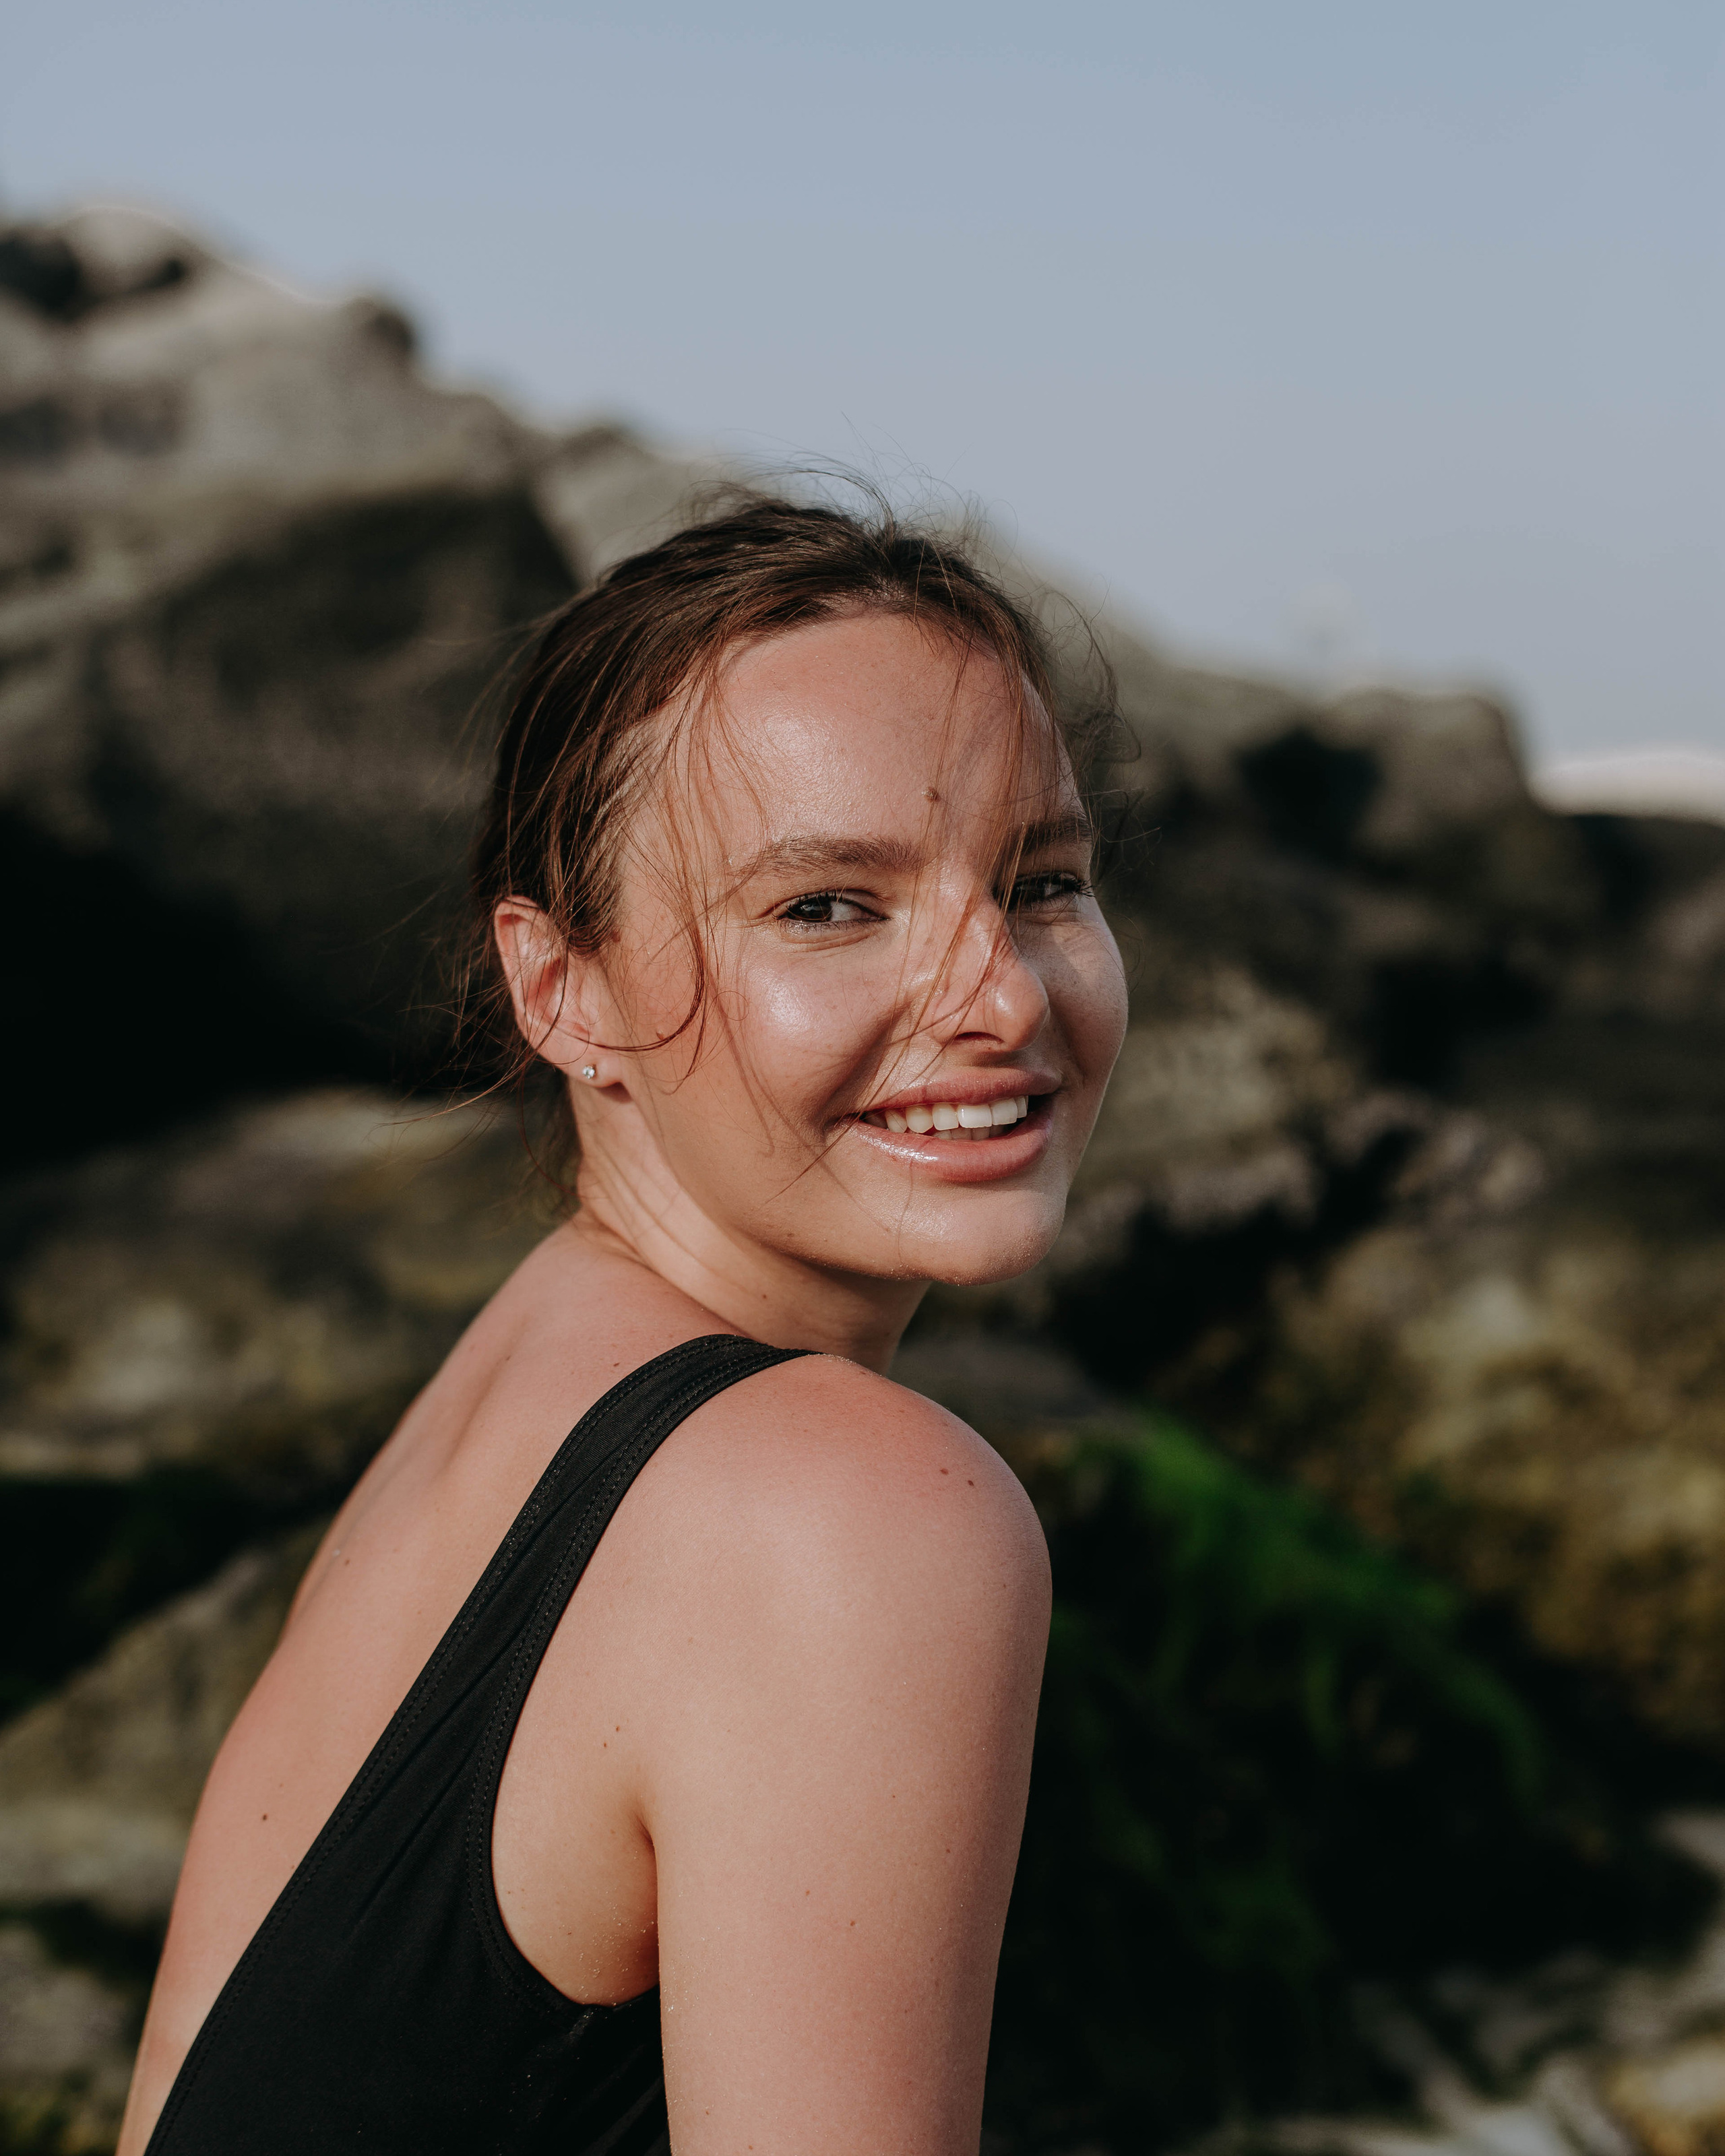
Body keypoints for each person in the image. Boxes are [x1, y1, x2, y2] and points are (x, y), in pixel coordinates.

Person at [117, 497, 1129, 2155]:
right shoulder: (842, 1513)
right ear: (560, 986)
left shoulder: (537, 1355)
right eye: (826, 906)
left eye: (1043, 880)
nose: (1005, 993)